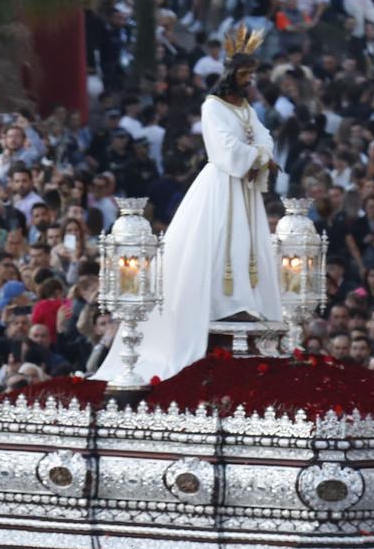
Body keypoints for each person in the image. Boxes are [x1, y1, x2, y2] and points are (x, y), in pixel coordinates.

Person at [105, 27, 280, 385]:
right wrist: (257, 156)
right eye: (245, 74)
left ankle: (244, 301)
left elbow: (265, 136)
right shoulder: (212, 106)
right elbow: (224, 148)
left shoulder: (245, 108)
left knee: (246, 243)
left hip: (244, 188)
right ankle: (219, 301)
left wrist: (262, 153)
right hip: (221, 183)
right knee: (217, 240)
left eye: (252, 75)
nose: (249, 81)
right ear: (232, 73)